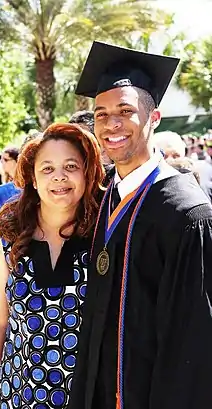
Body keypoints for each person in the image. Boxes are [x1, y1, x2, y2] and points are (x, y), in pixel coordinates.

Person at [69, 41, 212, 409]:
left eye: (125, 111)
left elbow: (193, 343)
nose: (110, 124)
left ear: (154, 118)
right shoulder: (105, 199)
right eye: (100, 114)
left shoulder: (187, 213)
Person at [0, 123, 104, 409]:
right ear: (31, 177)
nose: (59, 177)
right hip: (17, 393)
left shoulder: (106, 234)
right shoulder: (7, 235)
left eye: (70, 166)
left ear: (86, 172)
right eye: (47, 169)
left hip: (88, 396)